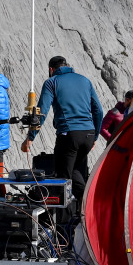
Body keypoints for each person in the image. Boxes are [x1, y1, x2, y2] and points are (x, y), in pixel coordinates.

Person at [21, 56, 103, 200]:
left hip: (69, 134)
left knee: (62, 178)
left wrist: (30, 138)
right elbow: (99, 111)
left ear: (51, 69)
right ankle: (86, 208)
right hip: (88, 134)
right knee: (76, 171)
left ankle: (60, 219)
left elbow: (41, 112)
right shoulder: (85, 80)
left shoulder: (52, 82)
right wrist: (95, 136)